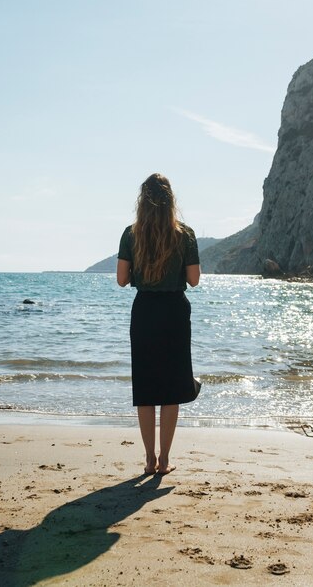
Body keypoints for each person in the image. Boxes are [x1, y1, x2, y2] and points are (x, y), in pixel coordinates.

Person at [117, 173, 201, 475]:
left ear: (143, 200)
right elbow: (193, 280)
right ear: (171, 201)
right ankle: (165, 459)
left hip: (145, 313)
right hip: (174, 313)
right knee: (172, 386)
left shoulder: (131, 233)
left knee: (147, 386)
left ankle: (149, 459)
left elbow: (122, 279)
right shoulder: (185, 234)